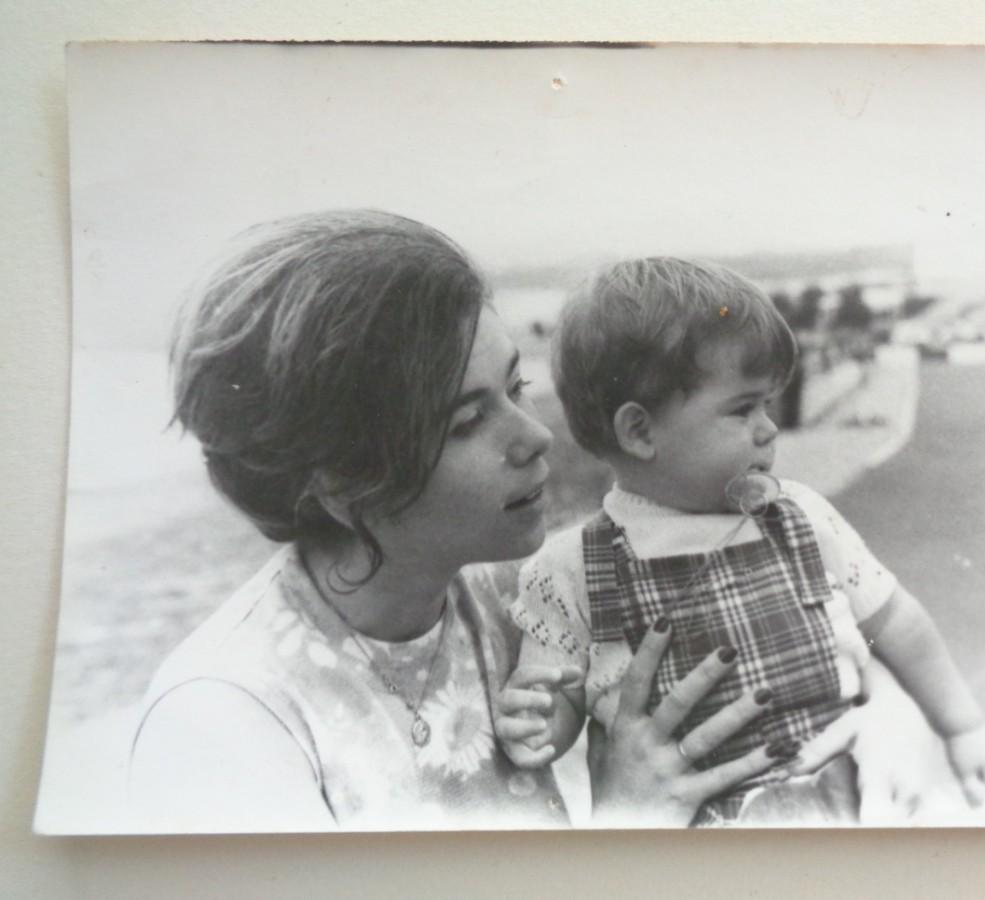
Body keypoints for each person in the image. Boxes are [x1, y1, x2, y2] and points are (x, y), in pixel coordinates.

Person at [127, 212, 800, 831]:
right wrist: (630, 822)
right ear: (340, 479)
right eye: (470, 421)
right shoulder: (225, 717)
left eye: (516, 388)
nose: (535, 436)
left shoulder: (524, 601)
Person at [500, 257, 985, 825]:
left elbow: (897, 622)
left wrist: (963, 726)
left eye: (767, 403)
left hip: (848, 805)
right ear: (640, 431)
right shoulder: (570, 568)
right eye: (743, 409)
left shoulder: (799, 518)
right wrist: (537, 723)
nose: (769, 428)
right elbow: (560, 699)